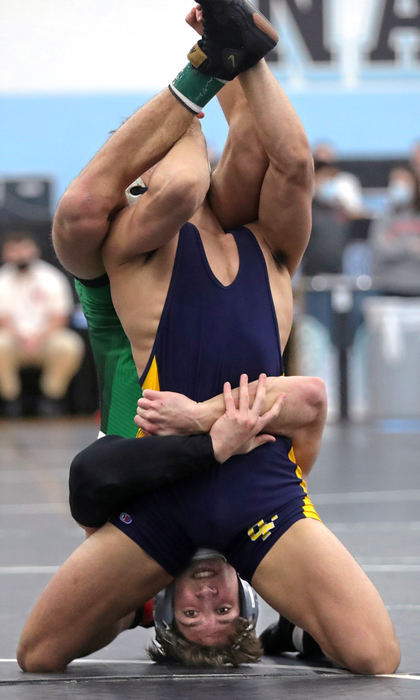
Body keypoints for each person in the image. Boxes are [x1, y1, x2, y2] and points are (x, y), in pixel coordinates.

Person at [18, 0, 399, 675]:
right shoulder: (272, 251)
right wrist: (245, 60)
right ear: (246, 598)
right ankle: (237, 46)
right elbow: (294, 165)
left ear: (161, 605)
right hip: (256, 481)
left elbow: (39, 655)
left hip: (164, 498)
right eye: (223, 612)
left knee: (42, 650)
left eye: (189, 614)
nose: (207, 603)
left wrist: (198, 426)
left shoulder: (134, 247)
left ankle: (226, 53)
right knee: (373, 654)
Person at [0, 230, 84, 416]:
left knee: (69, 344)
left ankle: (51, 398)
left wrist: (38, 338)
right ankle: (11, 400)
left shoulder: (51, 277)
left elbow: (60, 316)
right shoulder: (3, 279)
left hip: (46, 339)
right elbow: (2, 319)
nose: (19, 255)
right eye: (14, 251)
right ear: (6, 254)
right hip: (14, 340)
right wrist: (21, 337)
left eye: (23, 249)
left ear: (34, 251)